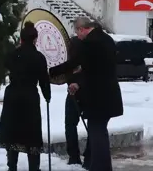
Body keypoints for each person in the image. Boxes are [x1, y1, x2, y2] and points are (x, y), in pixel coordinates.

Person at [50, 21, 122, 171]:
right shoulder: (106, 39)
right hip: (109, 94)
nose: (78, 36)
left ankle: (100, 167)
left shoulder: (90, 43)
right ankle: (101, 166)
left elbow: (74, 63)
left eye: (78, 33)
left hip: (98, 96)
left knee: (97, 133)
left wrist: (51, 71)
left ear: (82, 29)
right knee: (100, 130)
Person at [0, 21, 51, 171]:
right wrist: (47, 96)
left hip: (13, 96)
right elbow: (44, 81)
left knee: (13, 132)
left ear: (21, 39)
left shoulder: (14, 55)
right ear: (35, 39)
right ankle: (34, 167)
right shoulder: (39, 57)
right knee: (31, 134)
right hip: (30, 97)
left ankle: (12, 166)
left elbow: (5, 63)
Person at [64, 18, 88, 167]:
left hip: (78, 89)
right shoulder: (88, 44)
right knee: (89, 123)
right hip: (84, 88)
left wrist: (73, 81)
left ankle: (74, 156)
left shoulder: (75, 44)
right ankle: (84, 155)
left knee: (70, 124)